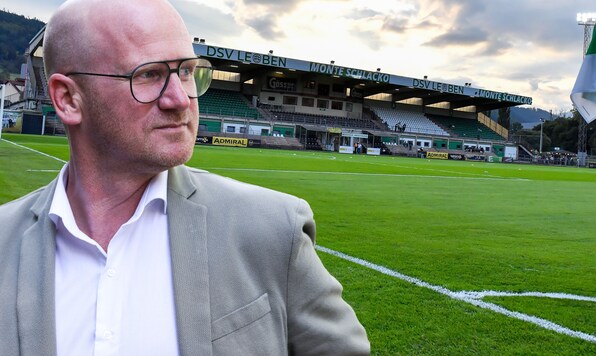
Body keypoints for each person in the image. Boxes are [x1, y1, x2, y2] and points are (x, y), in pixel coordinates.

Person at [0, 0, 370, 355]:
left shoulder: (273, 229)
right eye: (148, 75)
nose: (180, 99)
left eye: (188, 72)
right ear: (67, 99)